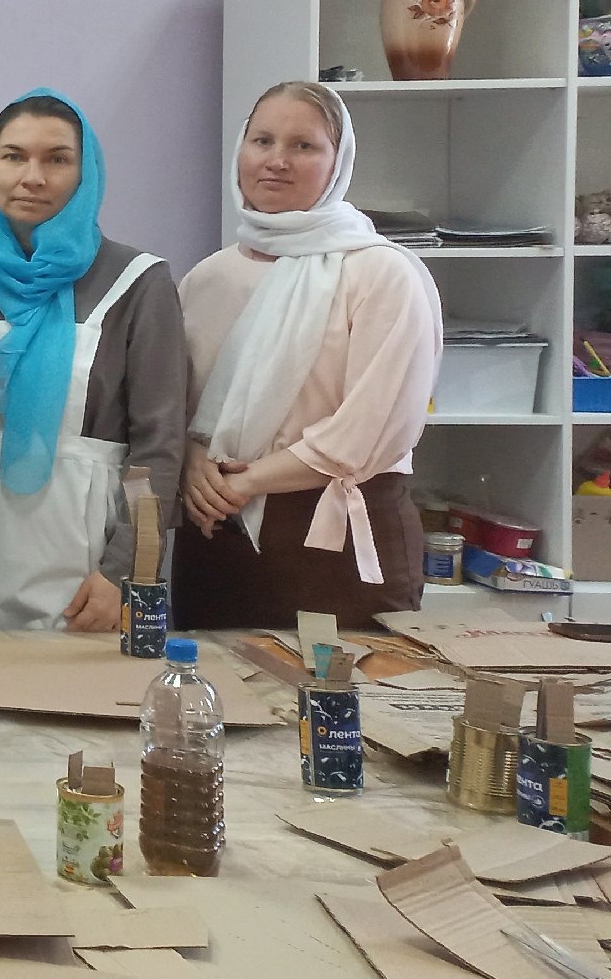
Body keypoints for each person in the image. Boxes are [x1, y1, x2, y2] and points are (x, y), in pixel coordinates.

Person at [174, 81, 441, 632]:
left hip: (334, 538)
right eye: (262, 141)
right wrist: (191, 460)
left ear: (338, 162)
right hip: (215, 535)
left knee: (350, 688)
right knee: (213, 683)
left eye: (303, 146)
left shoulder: (380, 273)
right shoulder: (207, 278)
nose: (276, 160)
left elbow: (370, 429)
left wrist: (245, 482)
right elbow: (175, 404)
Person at [0, 92, 190, 632]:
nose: (33, 177)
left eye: (57, 159)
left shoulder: (138, 284)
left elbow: (159, 449)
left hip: (80, 561)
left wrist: (127, 571)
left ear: (84, 172)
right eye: (13, 156)